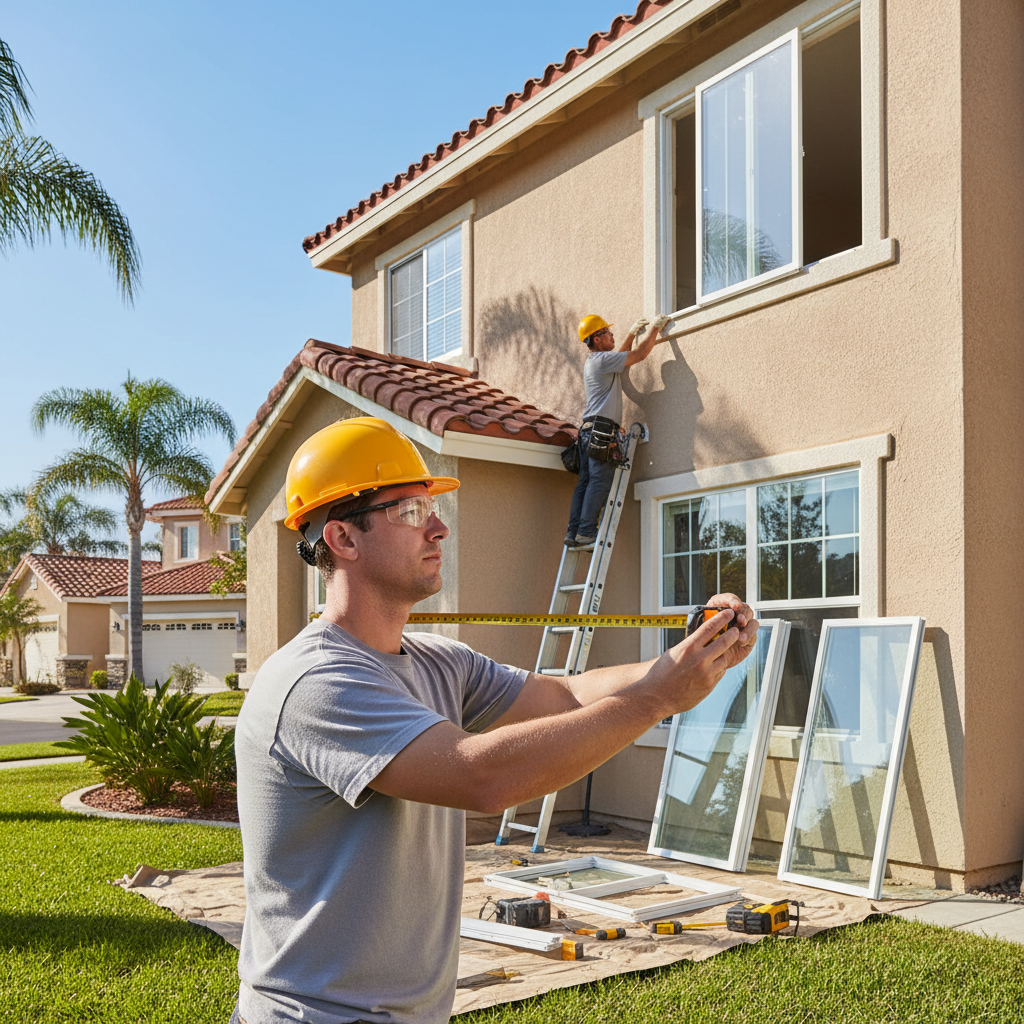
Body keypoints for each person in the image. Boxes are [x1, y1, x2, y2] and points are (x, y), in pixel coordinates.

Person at [231, 415, 757, 1024]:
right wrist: (656, 700)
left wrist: (682, 659)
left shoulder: (437, 662)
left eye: (431, 508)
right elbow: (481, 778)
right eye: (407, 512)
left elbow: (565, 696)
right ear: (343, 539)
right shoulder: (315, 682)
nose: (438, 527)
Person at [565, 312, 672, 546]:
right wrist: (655, 329)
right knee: (599, 481)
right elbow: (639, 355)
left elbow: (621, 358)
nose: (612, 335)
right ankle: (586, 532)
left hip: (590, 432)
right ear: (596, 339)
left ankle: (574, 532)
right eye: (607, 332)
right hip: (601, 432)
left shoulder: (600, 362)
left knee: (585, 483)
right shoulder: (601, 361)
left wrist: (632, 333)